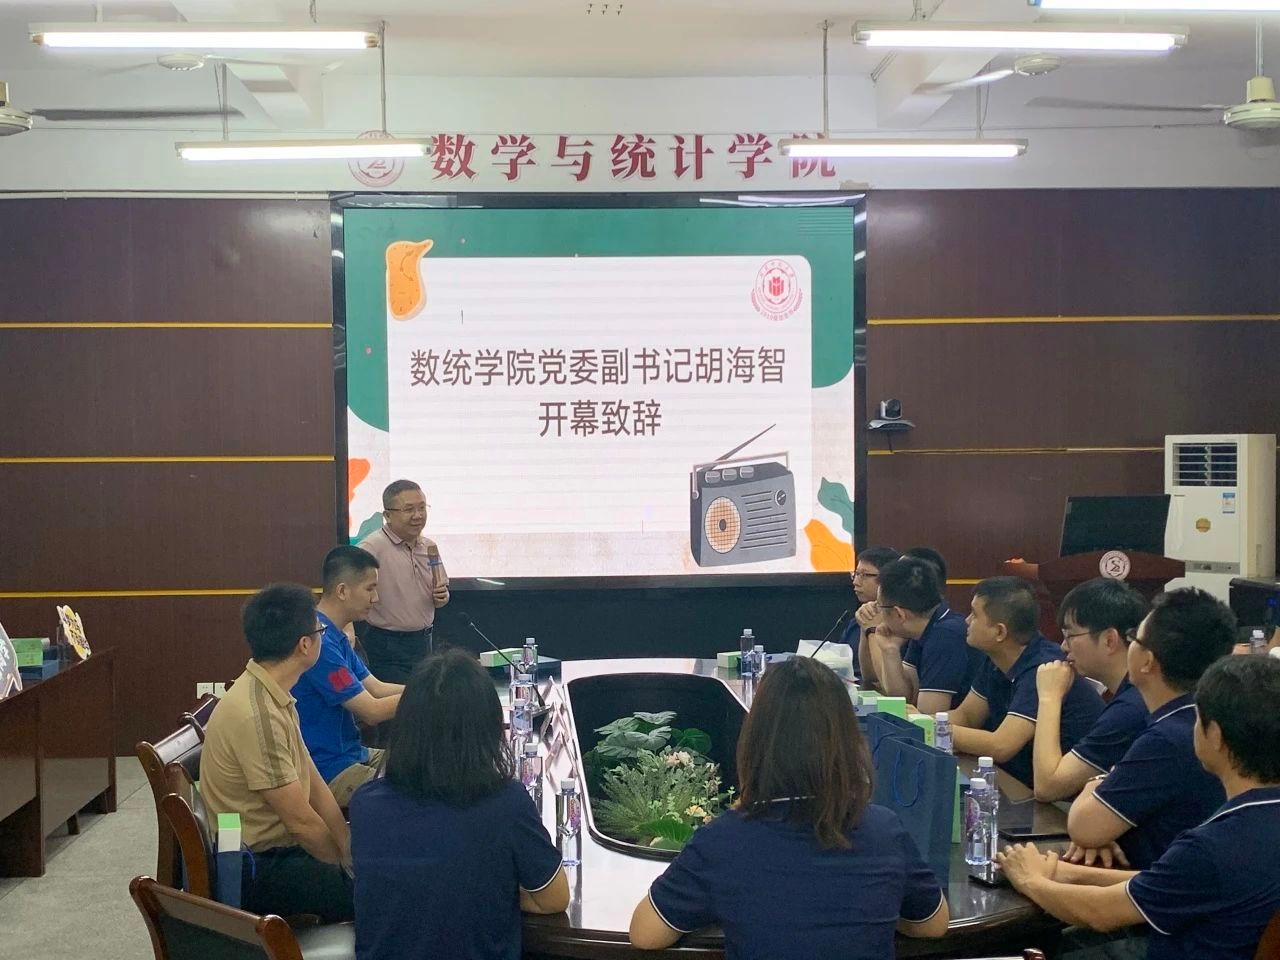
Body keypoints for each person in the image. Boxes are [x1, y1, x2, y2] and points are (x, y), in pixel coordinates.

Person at [629, 656, 949, 959]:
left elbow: (645, 934)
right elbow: (933, 925)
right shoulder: (884, 830)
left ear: (755, 741)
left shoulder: (723, 840)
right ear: (848, 740)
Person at [998, 655, 1280, 960]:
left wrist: (1030, 879)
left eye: (1197, 718)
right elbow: (1168, 882)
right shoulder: (1253, 821)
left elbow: (1100, 912)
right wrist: (1067, 873)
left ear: (1215, 736)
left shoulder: (1213, 846)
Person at [349, 649, 568, 960]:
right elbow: (554, 899)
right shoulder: (507, 804)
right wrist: (500, 890)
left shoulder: (365, 805)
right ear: (487, 729)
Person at [199, 584, 353, 922]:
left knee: (376, 874)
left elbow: (312, 779)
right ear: (305, 645)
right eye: (320, 630)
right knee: (379, 892)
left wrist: (347, 845)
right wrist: (344, 869)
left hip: (280, 850)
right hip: (258, 866)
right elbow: (300, 822)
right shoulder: (258, 715)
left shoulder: (271, 691)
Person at [1064, 587, 1235, 870]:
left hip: (1157, 886)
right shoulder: (1201, 715)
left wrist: (1097, 782)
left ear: (1147, 662)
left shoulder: (1168, 738)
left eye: (1134, 638)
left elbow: (1084, 827)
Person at [948, 577, 1104, 788]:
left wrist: (931, 728)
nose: (967, 621)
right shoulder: (995, 658)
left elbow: (1002, 746)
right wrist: (916, 720)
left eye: (974, 615)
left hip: (1064, 797)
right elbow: (966, 716)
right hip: (1021, 783)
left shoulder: (1044, 667)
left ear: (1000, 632)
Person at [293, 545, 404, 808]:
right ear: (342, 590)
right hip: (329, 769)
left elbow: (376, 688)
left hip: (354, 754)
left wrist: (432, 686)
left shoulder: (334, 636)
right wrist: (431, 696)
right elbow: (372, 711)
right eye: (370, 589)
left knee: (426, 765)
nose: (376, 598)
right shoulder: (320, 643)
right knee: (418, 792)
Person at [1032, 578, 1149, 802]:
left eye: (1070, 636)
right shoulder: (1135, 692)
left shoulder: (1131, 708)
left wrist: (1049, 697)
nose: (1063, 646)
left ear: (1109, 640)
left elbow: (1047, 786)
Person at [357, 479, 450, 684]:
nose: (418, 515)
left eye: (422, 508)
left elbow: (441, 591)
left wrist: (442, 597)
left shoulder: (429, 547)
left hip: (424, 643)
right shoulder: (371, 548)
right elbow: (353, 595)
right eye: (409, 509)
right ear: (387, 515)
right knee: (399, 702)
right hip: (387, 646)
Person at [866, 557, 979, 715]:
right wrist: (890, 650)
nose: (877, 611)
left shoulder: (945, 635)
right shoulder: (923, 626)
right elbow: (904, 697)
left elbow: (928, 716)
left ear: (899, 614)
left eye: (879, 606)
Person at [844, 545, 899, 683]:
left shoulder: (900, 624)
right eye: (856, 574)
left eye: (864, 575)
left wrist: (871, 630)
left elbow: (879, 679)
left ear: (887, 579)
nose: (856, 582)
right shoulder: (857, 620)